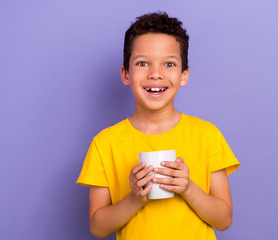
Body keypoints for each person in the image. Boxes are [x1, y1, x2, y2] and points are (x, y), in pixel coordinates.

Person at [77, 12, 240, 240]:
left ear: (184, 75)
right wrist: (134, 198)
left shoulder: (208, 136)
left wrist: (188, 188)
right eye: (142, 63)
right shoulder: (105, 144)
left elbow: (224, 220)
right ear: (125, 74)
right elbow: (98, 228)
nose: (156, 74)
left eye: (169, 64)